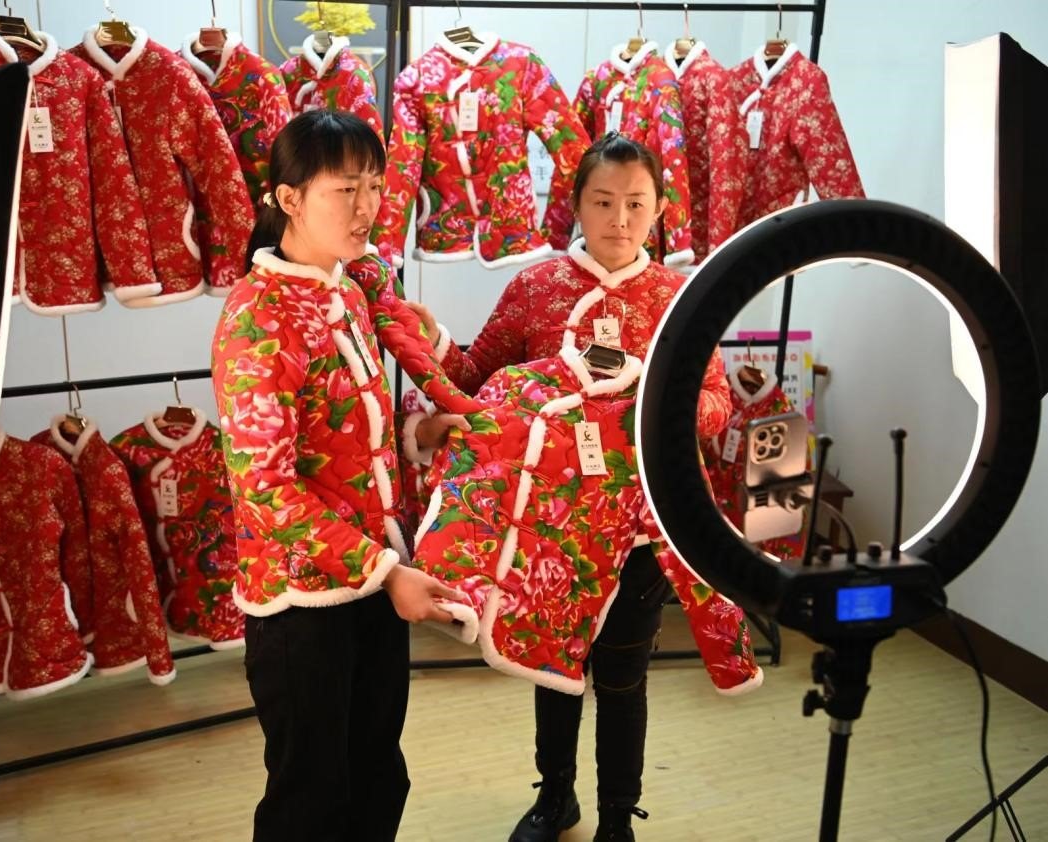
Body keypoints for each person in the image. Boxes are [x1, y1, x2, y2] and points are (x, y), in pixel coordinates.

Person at [408, 133, 733, 842]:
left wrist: (653, 407)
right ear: (577, 206)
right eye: (603, 201)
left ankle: (618, 817)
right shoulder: (536, 288)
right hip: (548, 523)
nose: (620, 219)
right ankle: (555, 797)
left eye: (636, 203)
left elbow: (717, 403)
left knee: (622, 673)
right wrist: (432, 342)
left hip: (642, 522)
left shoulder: (680, 299)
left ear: (659, 209)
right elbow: (476, 379)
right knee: (551, 662)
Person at [211, 109, 469, 842]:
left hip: (373, 582)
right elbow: (266, 490)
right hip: (304, 603)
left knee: (377, 775)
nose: (366, 208)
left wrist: (417, 437)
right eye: (345, 189)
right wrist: (387, 573)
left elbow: (347, 433)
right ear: (289, 199)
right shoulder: (257, 319)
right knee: (311, 799)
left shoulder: (347, 289)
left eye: (375, 187)